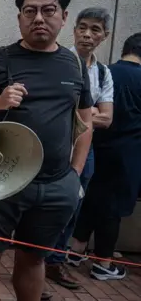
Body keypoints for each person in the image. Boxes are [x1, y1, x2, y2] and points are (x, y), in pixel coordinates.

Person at [0, 0, 93, 301]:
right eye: (30, 11)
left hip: (58, 184)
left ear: (64, 17)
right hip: (2, 181)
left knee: (34, 257)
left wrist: (75, 173)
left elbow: (85, 117)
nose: (39, 18)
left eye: (49, 10)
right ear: (19, 18)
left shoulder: (74, 63)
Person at [44, 7, 114, 291]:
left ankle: (55, 261)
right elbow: (55, 110)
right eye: (82, 27)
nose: (87, 34)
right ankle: (37, 259)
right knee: (46, 206)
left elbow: (107, 118)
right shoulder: (60, 61)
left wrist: (82, 114)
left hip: (86, 149)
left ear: (104, 36)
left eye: (95, 29)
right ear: (73, 29)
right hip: (55, 144)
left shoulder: (103, 71)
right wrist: (88, 112)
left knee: (73, 206)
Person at [69, 32, 141, 281]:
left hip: (93, 148)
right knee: (113, 209)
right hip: (127, 156)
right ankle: (103, 262)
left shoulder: (105, 71)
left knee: (90, 200)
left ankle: (76, 250)